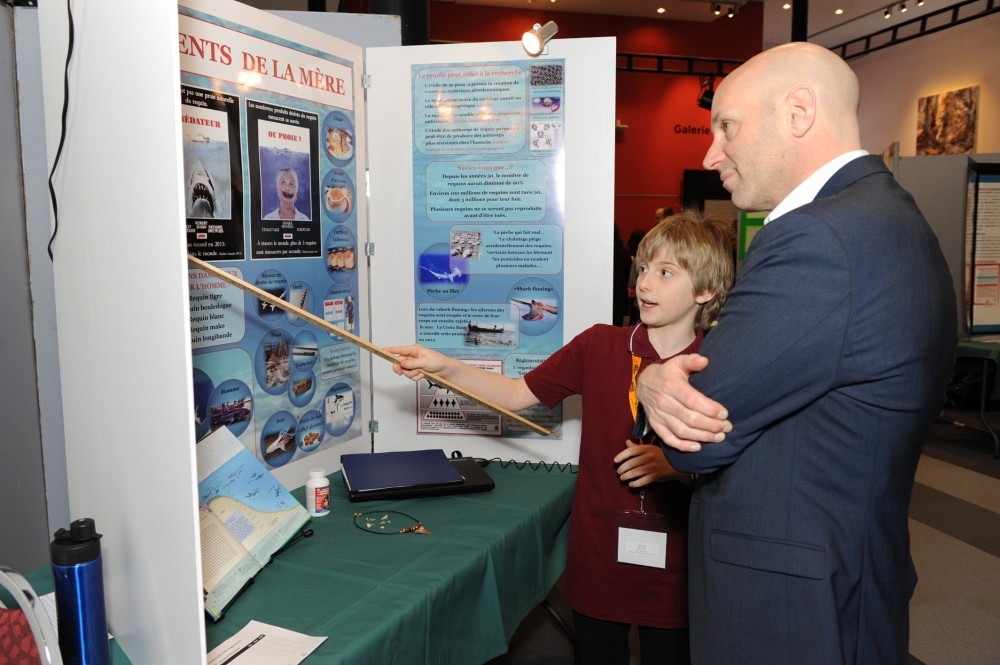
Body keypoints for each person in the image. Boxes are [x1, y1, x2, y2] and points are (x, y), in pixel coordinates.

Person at [635, 42, 956, 665]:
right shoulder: (891, 219)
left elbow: (693, 433)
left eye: (727, 127)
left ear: (799, 112)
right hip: (846, 570)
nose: (710, 154)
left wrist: (654, 381)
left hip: (788, 603)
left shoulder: (818, 238)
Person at [388, 210, 734, 665]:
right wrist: (445, 367)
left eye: (666, 272)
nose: (645, 283)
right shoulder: (599, 345)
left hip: (679, 563)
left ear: (705, 290)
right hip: (599, 556)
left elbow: (737, 467)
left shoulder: (721, 364)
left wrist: (677, 468)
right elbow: (515, 394)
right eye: (644, 266)